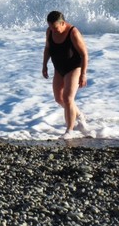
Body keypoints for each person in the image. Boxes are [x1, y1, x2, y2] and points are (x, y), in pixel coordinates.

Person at [42, 11, 91, 140]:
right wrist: (44, 65)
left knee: (68, 98)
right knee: (59, 99)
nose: (53, 30)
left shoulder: (73, 32)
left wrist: (83, 74)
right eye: (51, 27)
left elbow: (84, 54)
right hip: (59, 68)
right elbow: (47, 48)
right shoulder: (49, 31)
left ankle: (69, 130)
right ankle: (79, 115)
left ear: (62, 23)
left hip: (74, 67)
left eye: (55, 28)